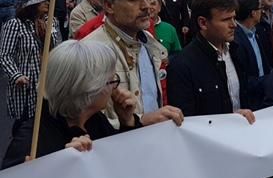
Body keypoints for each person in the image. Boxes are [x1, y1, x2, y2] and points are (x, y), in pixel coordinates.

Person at [2, 40, 183, 169]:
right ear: (89, 89)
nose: (115, 87)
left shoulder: (95, 120)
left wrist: (128, 121)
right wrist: (58, 168)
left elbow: (121, 165)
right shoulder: (31, 141)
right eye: (111, 81)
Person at [85, 0, 177, 126]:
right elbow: (85, 121)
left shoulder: (148, 41)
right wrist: (139, 121)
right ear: (109, 6)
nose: (146, 6)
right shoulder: (90, 52)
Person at [167, 0, 255, 123]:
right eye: (226, 19)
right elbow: (186, 122)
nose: (233, 25)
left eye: (234, 18)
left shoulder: (236, 51)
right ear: (203, 23)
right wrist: (229, 119)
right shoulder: (182, 66)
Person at [0, 0, 61, 126]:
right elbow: (4, 55)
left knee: (47, 123)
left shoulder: (51, 22)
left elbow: (58, 47)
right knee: (25, 125)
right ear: (32, 6)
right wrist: (16, 75)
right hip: (27, 84)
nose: (47, 3)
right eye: (42, 1)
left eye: (47, 0)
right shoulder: (14, 25)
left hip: (49, 81)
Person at [234, 0, 271, 110]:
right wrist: (268, 80)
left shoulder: (256, 33)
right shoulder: (236, 40)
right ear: (253, 13)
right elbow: (243, 80)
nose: (262, 12)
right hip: (249, 104)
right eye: (260, 8)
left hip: (262, 98)